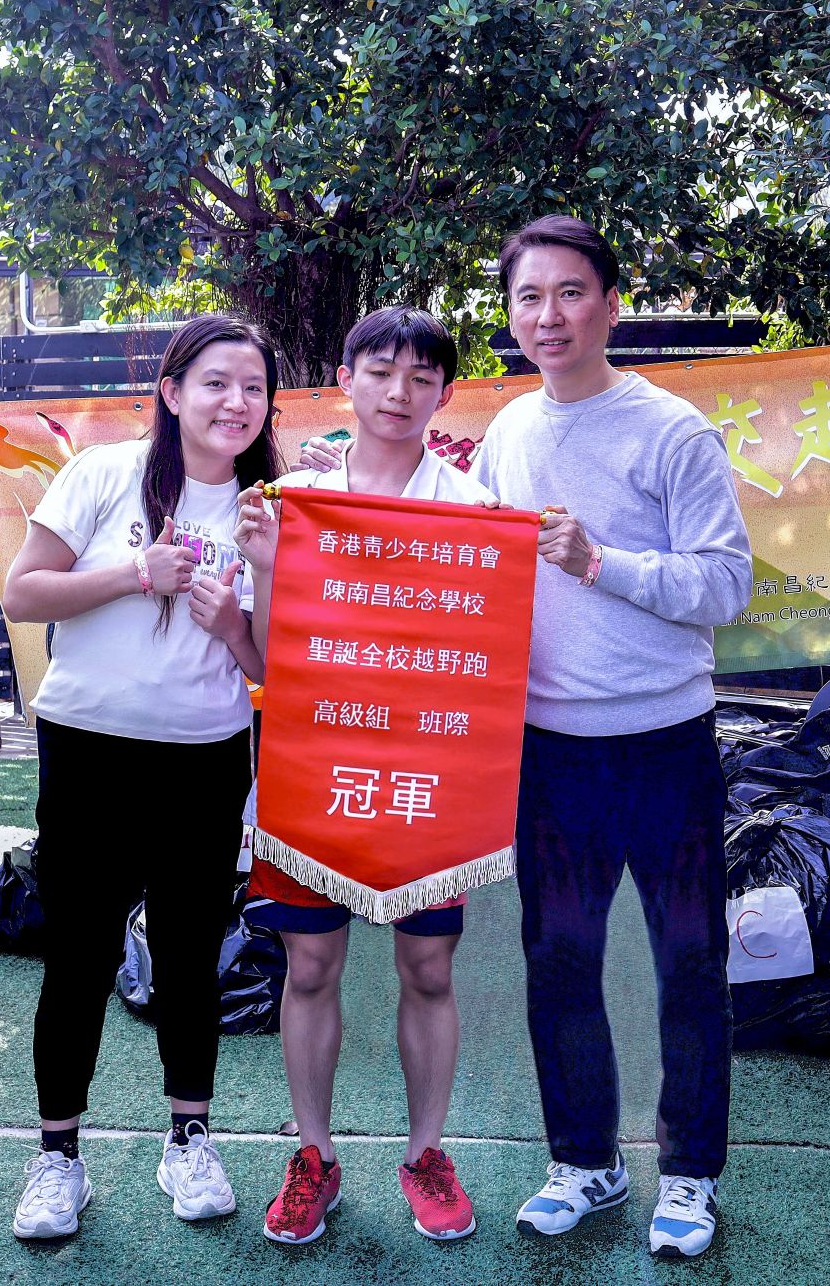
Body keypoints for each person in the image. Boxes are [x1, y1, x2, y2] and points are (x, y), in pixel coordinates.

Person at [471, 216, 751, 1258]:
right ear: (511, 315)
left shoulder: (671, 430)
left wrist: (601, 561)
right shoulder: (507, 432)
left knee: (689, 961)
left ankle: (689, 1174)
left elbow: (726, 583)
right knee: (558, 960)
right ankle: (584, 1161)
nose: (548, 316)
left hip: (664, 740)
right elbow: (471, 561)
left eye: (570, 293)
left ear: (611, 305)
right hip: (548, 751)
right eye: (528, 297)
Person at [0, 314, 283, 1241]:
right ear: (171, 390)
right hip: (88, 748)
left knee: (190, 955)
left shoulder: (265, 512)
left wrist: (230, 623)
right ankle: (57, 1157)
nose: (236, 402)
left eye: (253, 387)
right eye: (216, 382)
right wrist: (134, 572)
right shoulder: (104, 471)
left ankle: (189, 1137)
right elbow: (24, 592)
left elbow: (269, 664)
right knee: (79, 953)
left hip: (204, 756)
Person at [233, 307, 492, 1246]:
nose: (399, 393)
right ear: (344, 380)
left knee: (428, 965)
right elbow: (270, 658)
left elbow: (489, 656)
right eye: (380, 371)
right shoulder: (293, 501)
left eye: (422, 377)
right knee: (309, 964)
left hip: (427, 771)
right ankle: (314, 1155)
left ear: (445, 393)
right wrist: (269, 565)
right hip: (317, 764)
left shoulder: (473, 509)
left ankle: (426, 1154)